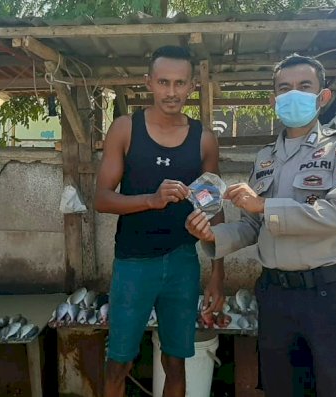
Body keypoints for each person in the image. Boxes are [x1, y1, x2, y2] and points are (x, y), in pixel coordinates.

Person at [186, 54, 336, 396]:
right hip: (275, 295)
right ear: (273, 101)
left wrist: (265, 204)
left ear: (322, 97)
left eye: (304, 86)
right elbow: (253, 226)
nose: (293, 94)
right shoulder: (265, 158)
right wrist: (212, 236)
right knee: (280, 387)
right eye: (284, 88)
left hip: (327, 294)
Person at [95, 45, 225, 397]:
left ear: (191, 86)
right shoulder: (125, 129)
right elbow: (102, 199)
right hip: (133, 262)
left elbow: (214, 211)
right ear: (148, 82)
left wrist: (218, 274)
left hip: (183, 262)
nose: (171, 92)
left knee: (176, 362)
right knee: (118, 362)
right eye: (164, 82)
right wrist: (151, 200)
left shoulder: (204, 140)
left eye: (180, 83)